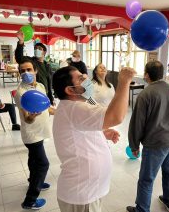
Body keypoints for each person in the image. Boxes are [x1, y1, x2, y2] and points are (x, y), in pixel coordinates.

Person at [52, 66, 135, 212]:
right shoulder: (74, 108)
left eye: (84, 75)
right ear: (70, 90)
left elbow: (87, 123)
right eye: (80, 78)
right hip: (82, 194)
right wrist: (124, 82)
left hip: (88, 190)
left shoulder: (83, 102)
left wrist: (102, 133)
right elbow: (116, 116)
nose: (86, 78)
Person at [126, 61, 169, 212]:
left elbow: (137, 122)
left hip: (156, 143)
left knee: (146, 179)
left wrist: (134, 145)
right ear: (163, 74)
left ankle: (142, 209)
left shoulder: (146, 94)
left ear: (146, 75)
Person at [15, 57, 54, 210]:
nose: (26, 73)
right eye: (22, 71)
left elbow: (46, 107)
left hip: (41, 130)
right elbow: (27, 119)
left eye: (29, 69)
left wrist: (63, 112)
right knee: (43, 164)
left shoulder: (41, 86)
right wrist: (30, 117)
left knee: (33, 159)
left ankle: (34, 179)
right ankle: (30, 201)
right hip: (32, 134)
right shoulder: (21, 93)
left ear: (35, 70)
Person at [15, 31, 54, 105]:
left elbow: (49, 82)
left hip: (44, 93)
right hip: (33, 92)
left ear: (44, 52)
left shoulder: (47, 65)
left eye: (39, 48)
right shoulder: (31, 61)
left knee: (45, 113)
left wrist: (51, 98)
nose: (37, 50)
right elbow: (19, 58)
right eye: (35, 48)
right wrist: (21, 42)